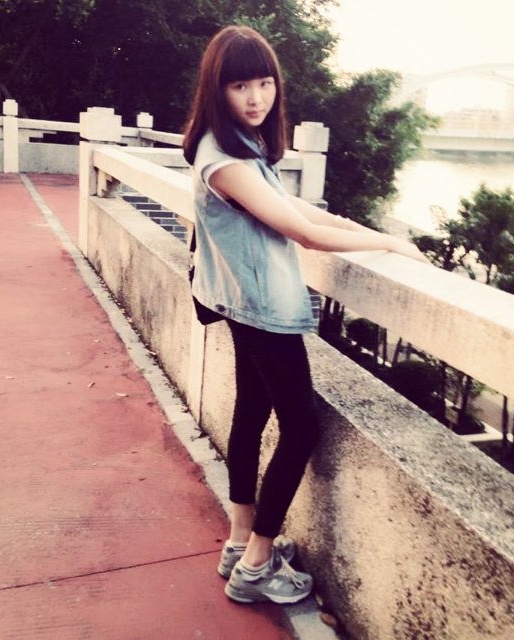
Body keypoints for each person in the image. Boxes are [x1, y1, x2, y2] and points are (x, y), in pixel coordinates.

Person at [182, 25, 428, 605]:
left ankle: (239, 541)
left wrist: (361, 229)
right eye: (240, 86)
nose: (256, 98)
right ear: (217, 89)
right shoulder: (225, 160)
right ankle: (257, 564)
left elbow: (293, 206)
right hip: (262, 308)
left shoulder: (235, 145)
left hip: (242, 301)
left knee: (251, 413)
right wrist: (387, 244)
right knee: (301, 429)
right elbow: (303, 233)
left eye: (264, 83)